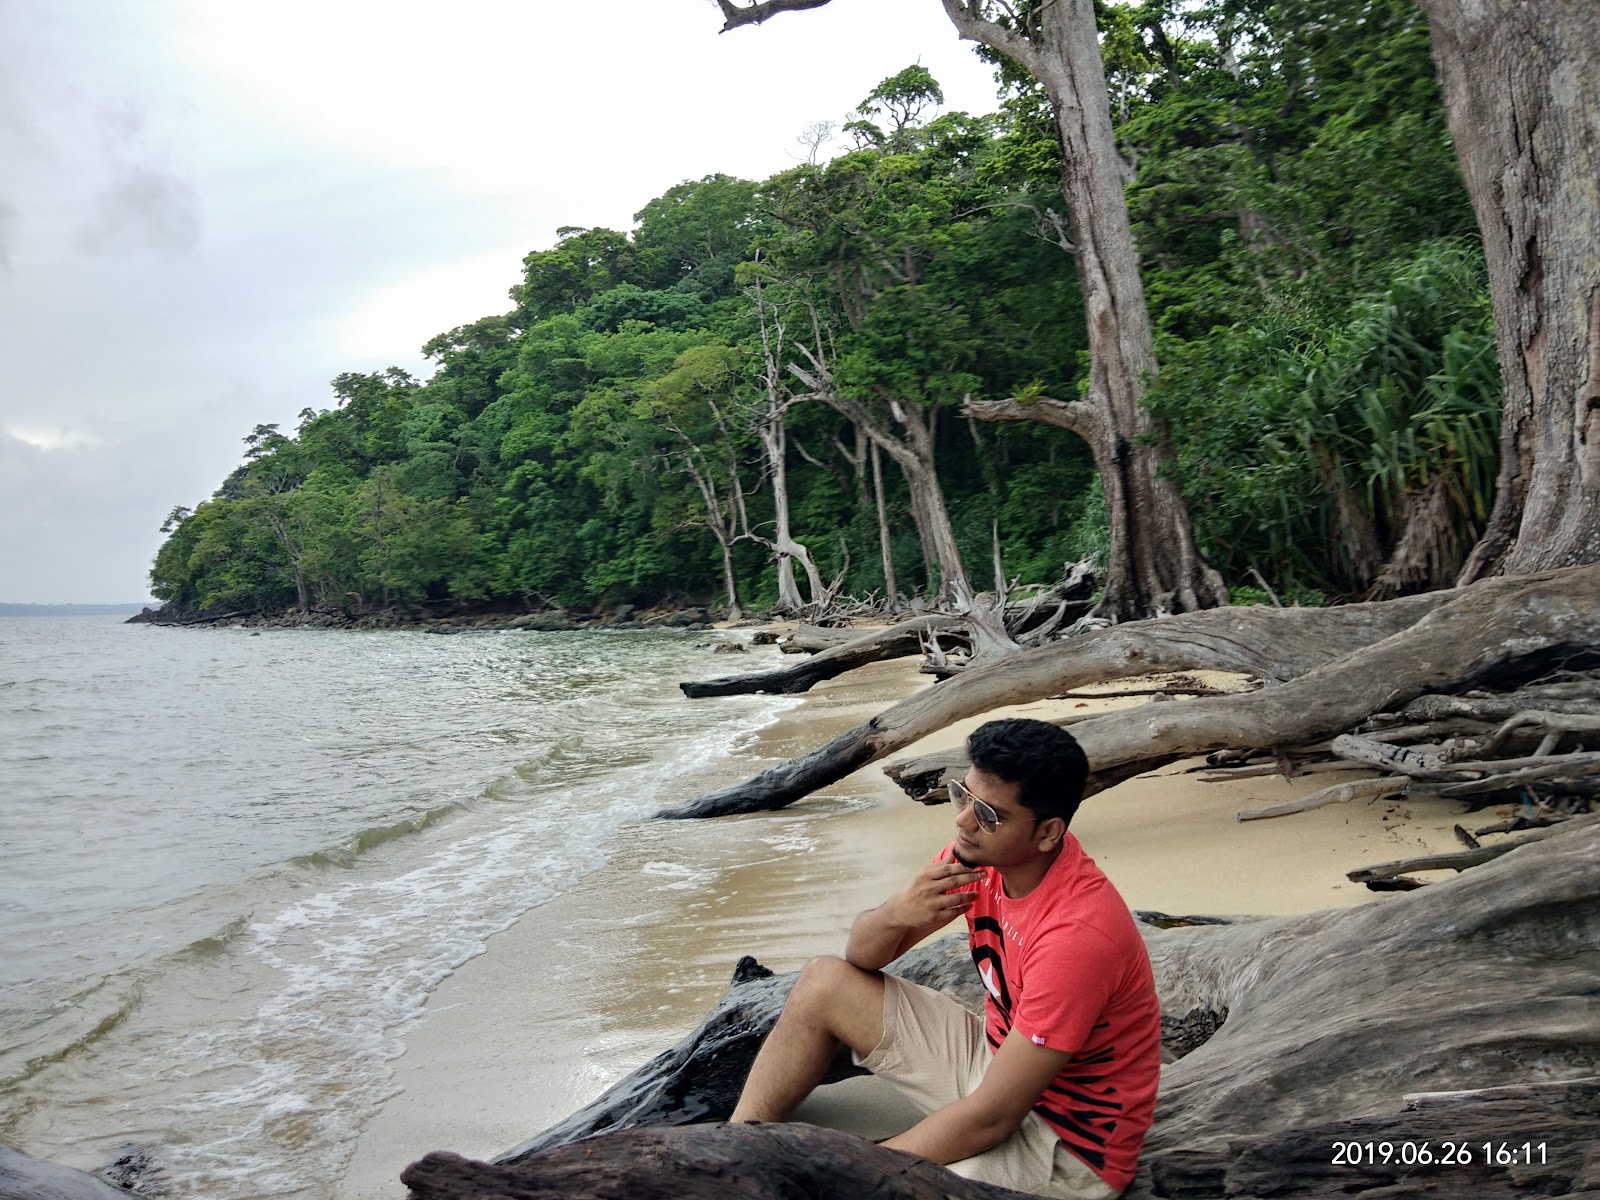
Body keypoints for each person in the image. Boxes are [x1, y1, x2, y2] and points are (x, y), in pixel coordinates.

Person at [730, 718, 1161, 1198]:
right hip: (996, 1064)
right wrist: (896, 914)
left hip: (1065, 1143)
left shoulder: (1075, 936)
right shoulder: (979, 860)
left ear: (1047, 833)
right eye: (963, 795)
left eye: (989, 815)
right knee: (824, 982)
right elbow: (860, 957)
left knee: (873, 1189)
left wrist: (853, 1167)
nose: (963, 821)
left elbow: (993, 1119)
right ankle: (736, 1144)